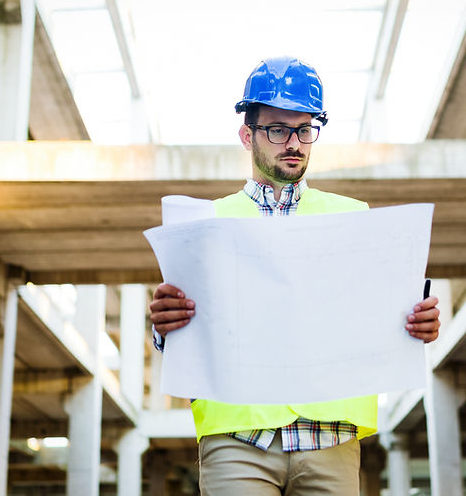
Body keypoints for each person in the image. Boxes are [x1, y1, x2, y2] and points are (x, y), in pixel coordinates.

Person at [149, 56, 440, 495]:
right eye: (278, 129)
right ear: (248, 135)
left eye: (304, 129)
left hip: (331, 441)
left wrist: (415, 323)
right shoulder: (206, 224)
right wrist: (165, 326)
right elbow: (185, 336)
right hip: (238, 441)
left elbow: (377, 318)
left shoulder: (353, 218)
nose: (295, 143)